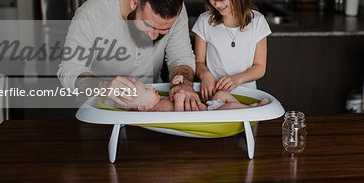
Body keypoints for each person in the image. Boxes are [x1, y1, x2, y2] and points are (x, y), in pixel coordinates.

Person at [58, 0, 205, 111]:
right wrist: (104, 86)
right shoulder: (92, 14)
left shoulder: (175, 13)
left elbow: (181, 58)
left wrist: (184, 83)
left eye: (163, 30)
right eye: (148, 26)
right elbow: (69, 70)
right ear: (134, 2)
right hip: (98, 110)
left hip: (150, 109)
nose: (154, 36)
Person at [192, 0, 271, 100]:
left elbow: (259, 67)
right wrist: (205, 75)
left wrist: (237, 79)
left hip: (247, 96)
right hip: (213, 97)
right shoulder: (204, 21)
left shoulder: (258, 22)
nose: (217, 3)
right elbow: (199, 63)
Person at [115, 77, 270, 112]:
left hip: (208, 106)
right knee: (230, 106)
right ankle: (252, 109)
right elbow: (177, 120)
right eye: (147, 90)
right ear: (143, 107)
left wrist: (177, 82)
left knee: (221, 94)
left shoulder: (158, 102)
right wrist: (179, 99)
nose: (151, 87)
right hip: (210, 115)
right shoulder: (159, 110)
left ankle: (247, 107)